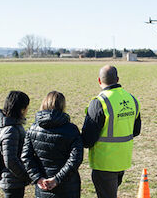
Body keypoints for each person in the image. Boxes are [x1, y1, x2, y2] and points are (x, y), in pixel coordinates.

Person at [81, 65, 141, 198]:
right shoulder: (132, 99)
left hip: (104, 162)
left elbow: (87, 139)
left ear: (99, 80)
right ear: (118, 79)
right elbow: (136, 131)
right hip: (123, 160)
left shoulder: (99, 102)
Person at [21, 91, 83, 198]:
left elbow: (26, 157)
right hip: (68, 186)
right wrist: (57, 179)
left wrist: (38, 178)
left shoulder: (33, 129)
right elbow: (75, 159)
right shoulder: (71, 130)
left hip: (43, 185)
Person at [0, 91, 31, 198]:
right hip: (12, 180)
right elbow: (10, 161)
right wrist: (26, 176)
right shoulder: (11, 130)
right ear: (22, 109)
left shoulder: (12, 125)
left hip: (13, 179)